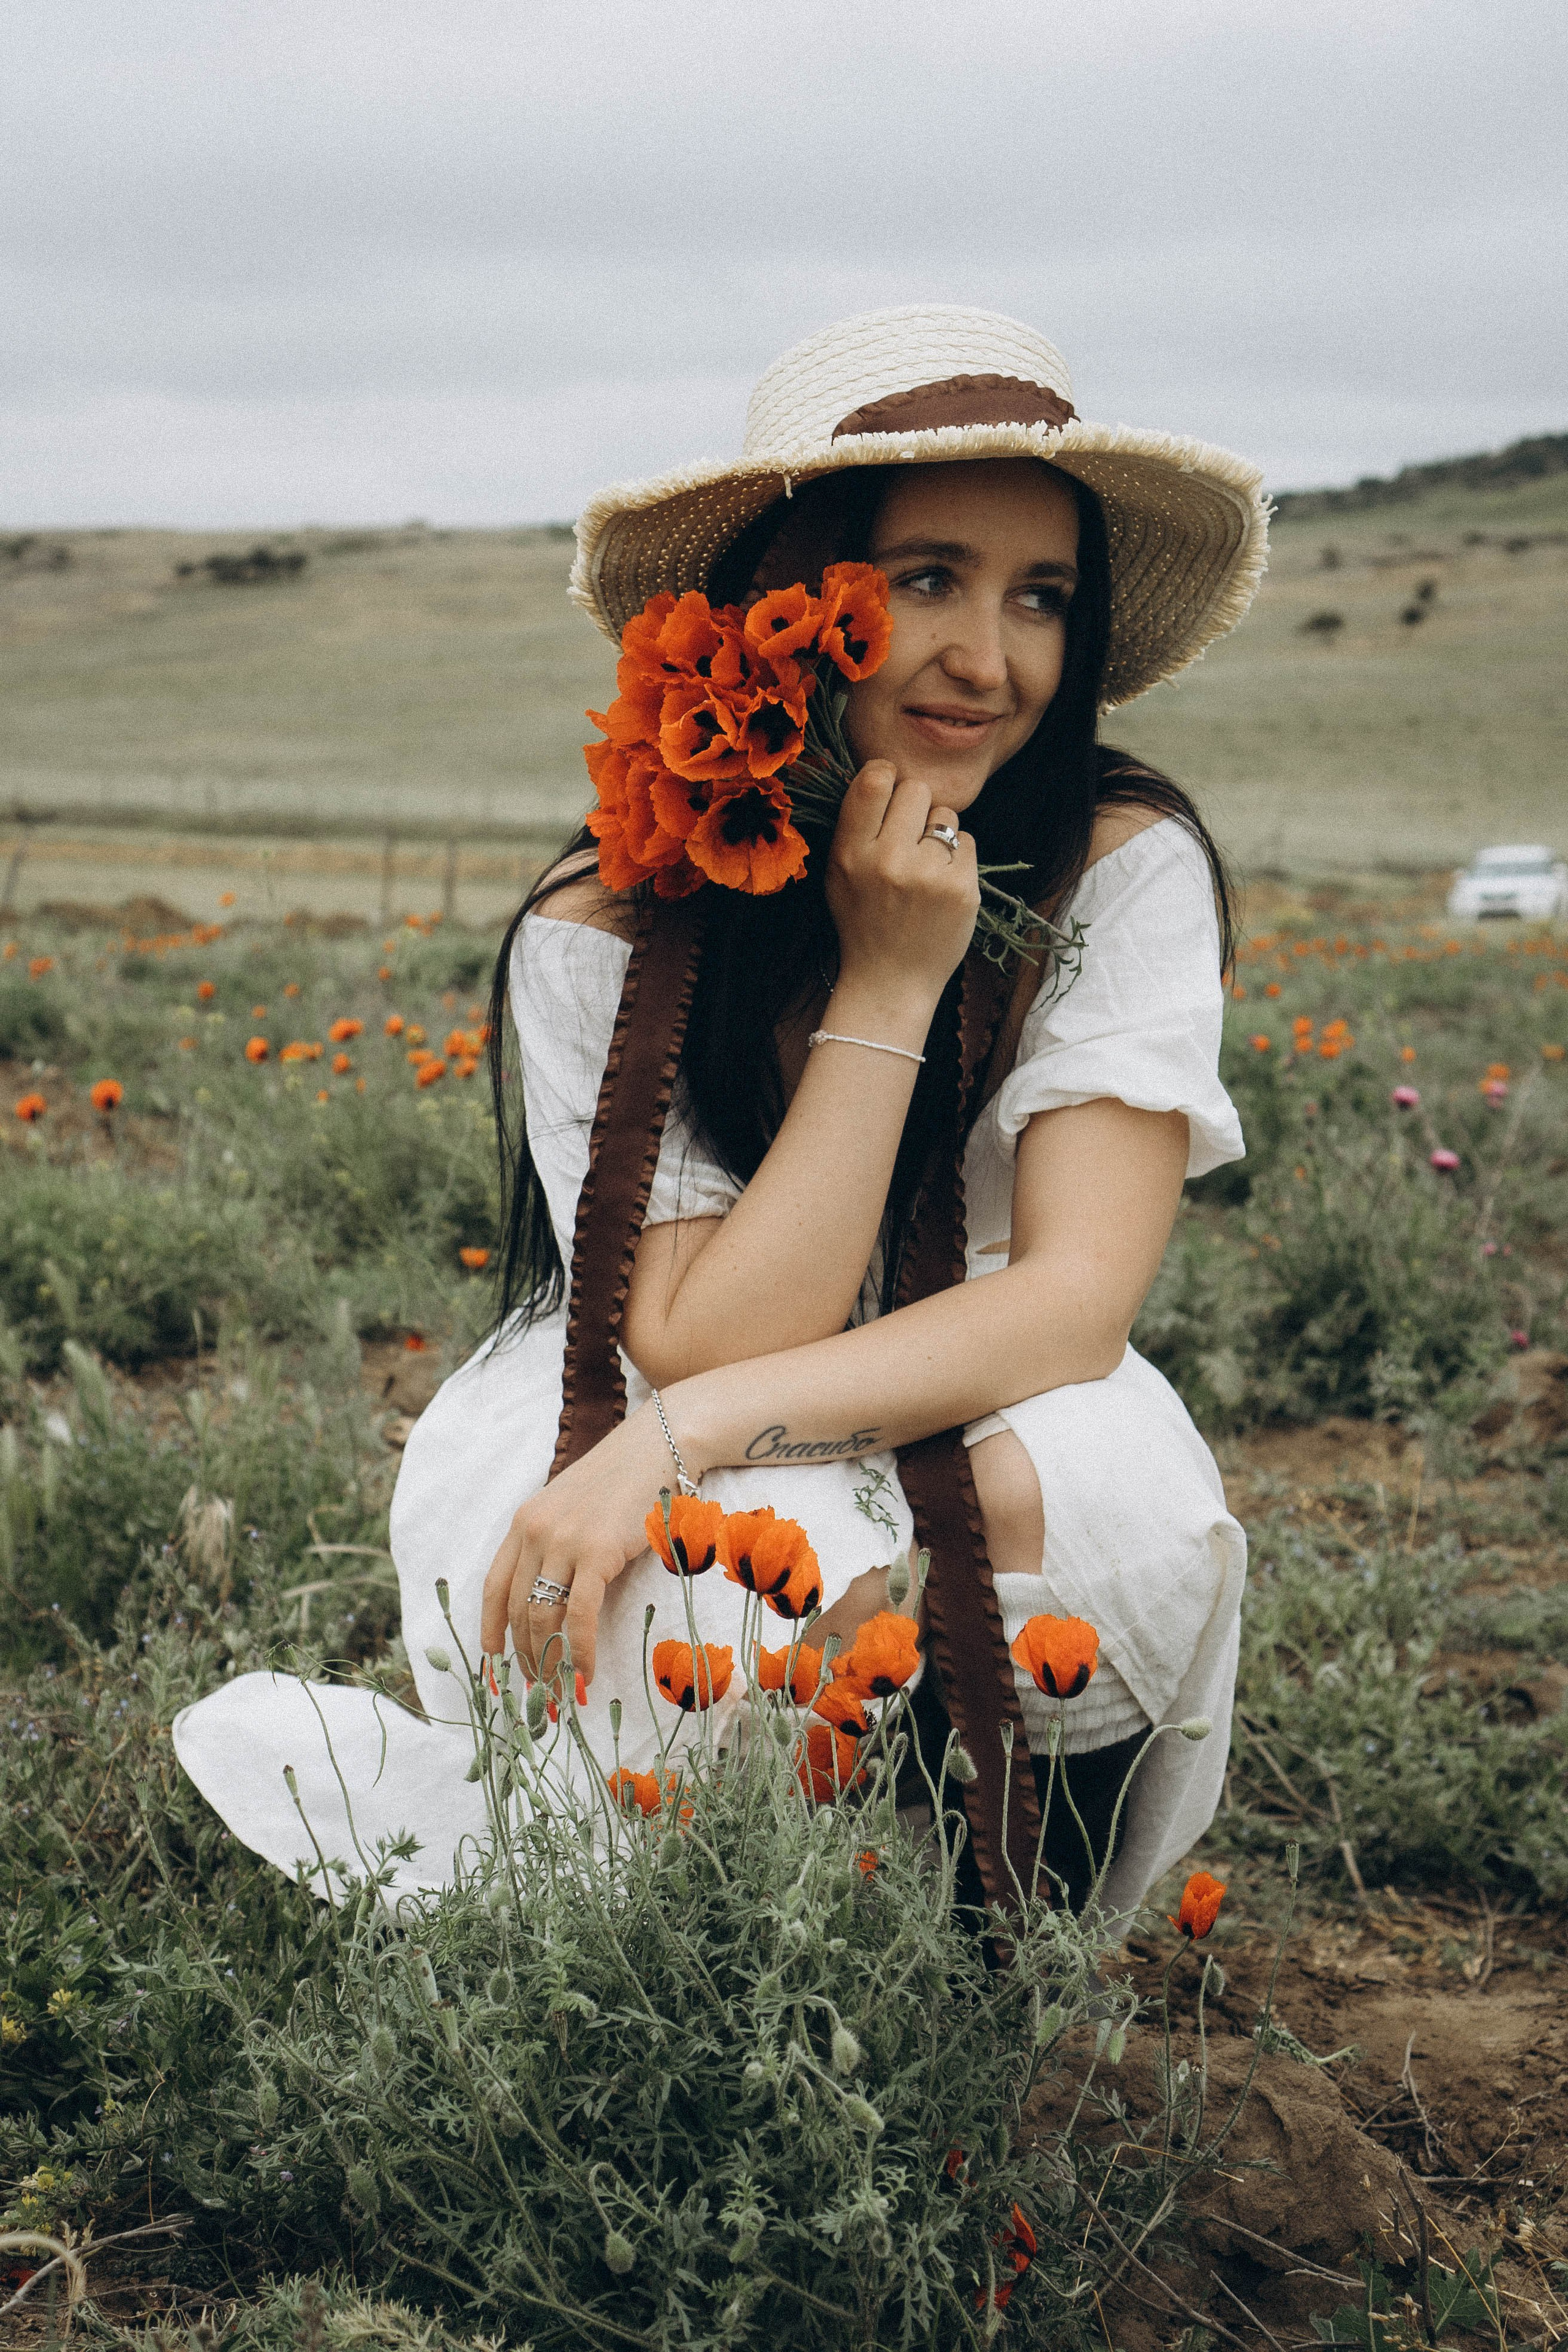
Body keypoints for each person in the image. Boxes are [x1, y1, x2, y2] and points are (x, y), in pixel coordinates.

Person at [175, 304, 1265, 1923]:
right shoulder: (609, 919)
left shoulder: (1118, 859)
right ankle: (736, 1960)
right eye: (928, 580)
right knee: (717, 1568)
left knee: (1087, 1501)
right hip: (670, 1363)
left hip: (991, 1363)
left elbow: (1073, 1302)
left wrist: (677, 1446)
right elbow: (710, 1334)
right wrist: (891, 981)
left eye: (1041, 596)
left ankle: (987, 1947)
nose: (993, 660)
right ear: (792, 605)